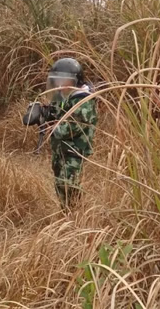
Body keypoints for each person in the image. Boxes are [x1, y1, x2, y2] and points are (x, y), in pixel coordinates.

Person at [44, 58, 98, 209]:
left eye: (64, 79)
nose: (60, 83)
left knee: (68, 184)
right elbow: (56, 112)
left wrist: (50, 126)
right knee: (60, 184)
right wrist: (44, 112)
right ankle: (67, 214)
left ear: (76, 80)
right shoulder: (66, 96)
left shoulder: (83, 101)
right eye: (58, 79)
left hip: (75, 150)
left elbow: (70, 128)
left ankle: (77, 216)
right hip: (62, 150)